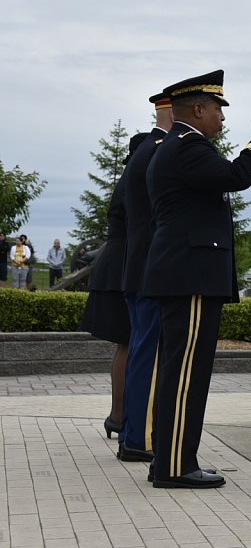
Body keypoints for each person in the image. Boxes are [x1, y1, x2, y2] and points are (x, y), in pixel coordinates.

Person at [141, 70, 251, 489]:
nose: (222, 118)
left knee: (178, 372)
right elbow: (237, 177)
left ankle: (169, 459)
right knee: (186, 374)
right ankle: (175, 467)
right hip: (191, 277)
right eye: (218, 109)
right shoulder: (188, 147)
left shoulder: (178, 147)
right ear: (198, 109)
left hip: (183, 273)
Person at [81, 134, 147, 445]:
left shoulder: (126, 179)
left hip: (115, 268)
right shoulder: (136, 181)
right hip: (123, 268)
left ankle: (118, 414)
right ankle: (120, 415)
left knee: (127, 344)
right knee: (129, 343)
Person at [121, 93, 175, 463]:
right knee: (151, 356)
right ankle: (142, 437)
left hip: (138, 267)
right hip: (150, 270)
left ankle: (133, 433)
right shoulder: (158, 150)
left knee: (143, 351)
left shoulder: (147, 148)